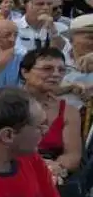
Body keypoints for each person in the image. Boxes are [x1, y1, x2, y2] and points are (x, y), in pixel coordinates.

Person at [21, 47, 82, 184]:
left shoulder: (68, 111)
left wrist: (56, 166)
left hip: (50, 174)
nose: (56, 74)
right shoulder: (5, 103)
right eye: (47, 69)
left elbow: (72, 155)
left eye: (61, 70)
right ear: (25, 72)